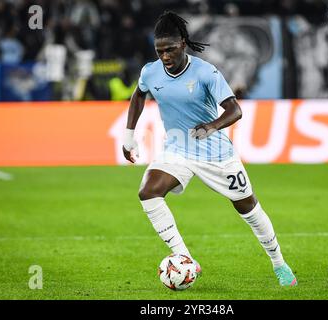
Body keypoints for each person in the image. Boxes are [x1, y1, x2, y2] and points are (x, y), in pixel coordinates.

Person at [122, 11, 297, 287]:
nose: (164, 56)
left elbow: (234, 110)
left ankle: (279, 264)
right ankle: (184, 257)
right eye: (159, 51)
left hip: (215, 154)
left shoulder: (205, 72)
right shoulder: (150, 71)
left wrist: (212, 126)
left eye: (169, 50)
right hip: (177, 149)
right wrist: (129, 135)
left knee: (248, 209)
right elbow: (139, 94)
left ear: (182, 43)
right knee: (148, 192)